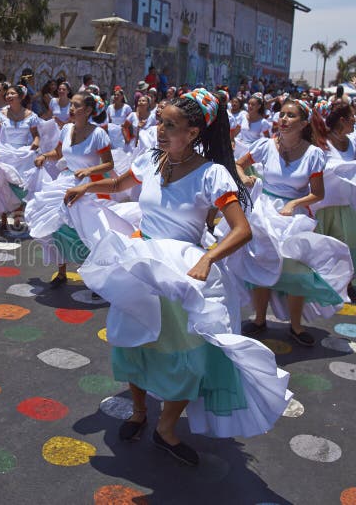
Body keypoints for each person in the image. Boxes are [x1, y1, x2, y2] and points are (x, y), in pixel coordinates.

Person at [65, 89, 289, 466]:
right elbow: (120, 185)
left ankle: (166, 428)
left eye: (171, 125)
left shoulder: (213, 173)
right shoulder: (151, 160)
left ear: (195, 131)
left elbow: (240, 230)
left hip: (183, 274)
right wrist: (88, 186)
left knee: (187, 358)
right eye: (160, 122)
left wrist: (208, 258)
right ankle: (138, 413)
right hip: (140, 265)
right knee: (131, 341)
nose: (161, 130)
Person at [236, 99, 350, 346]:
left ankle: (296, 327)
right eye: (282, 114)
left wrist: (294, 204)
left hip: (293, 217)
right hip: (264, 212)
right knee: (261, 261)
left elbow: (318, 193)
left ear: (304, 123)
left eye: (291, 116)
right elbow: (238, 164)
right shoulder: (266, 145)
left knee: (296, 270)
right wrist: (245, 178)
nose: (284, 119)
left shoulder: (313, 154)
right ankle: (259, 320)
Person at [28, 91, 113, 287]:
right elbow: (58, 153)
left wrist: (89, 169)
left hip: (86, 187)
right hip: (65, 182)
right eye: (71, 105)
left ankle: (98, 276)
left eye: (76, 105)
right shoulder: (66, 129)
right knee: (56, 227)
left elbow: (109, 164)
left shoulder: (98, 134)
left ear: (89, 110)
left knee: (88, 231)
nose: (71, 109)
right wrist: (44, 156)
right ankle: (61, 272)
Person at [310, 100, 356, 300]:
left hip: (347, 206)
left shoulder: (353, 142)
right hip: (322, 206)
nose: (355, 120)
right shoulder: (321, 144)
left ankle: (347, 285)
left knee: (348, 248)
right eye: (352, 117)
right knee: (322, 250)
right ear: (343, 120)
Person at [0, 84, 41, 230]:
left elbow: (36, 136)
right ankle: (3, 216)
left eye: (12, 94)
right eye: (7, 94)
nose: (8, 96)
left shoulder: (32, 116)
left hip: (23, 154)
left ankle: (18, 214)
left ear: (21, 97)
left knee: (20, 185)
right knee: (3, 183)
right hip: (5, 153)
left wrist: (34, 147)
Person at [233, 94, 271, 159]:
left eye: (253, 104)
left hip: (253, 150)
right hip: (240, 147)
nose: (250, 106)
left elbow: (267, 139)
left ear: (259, 106)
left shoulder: (263, 122)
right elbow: (235, 132)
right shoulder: (242, 116)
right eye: (249, 104)